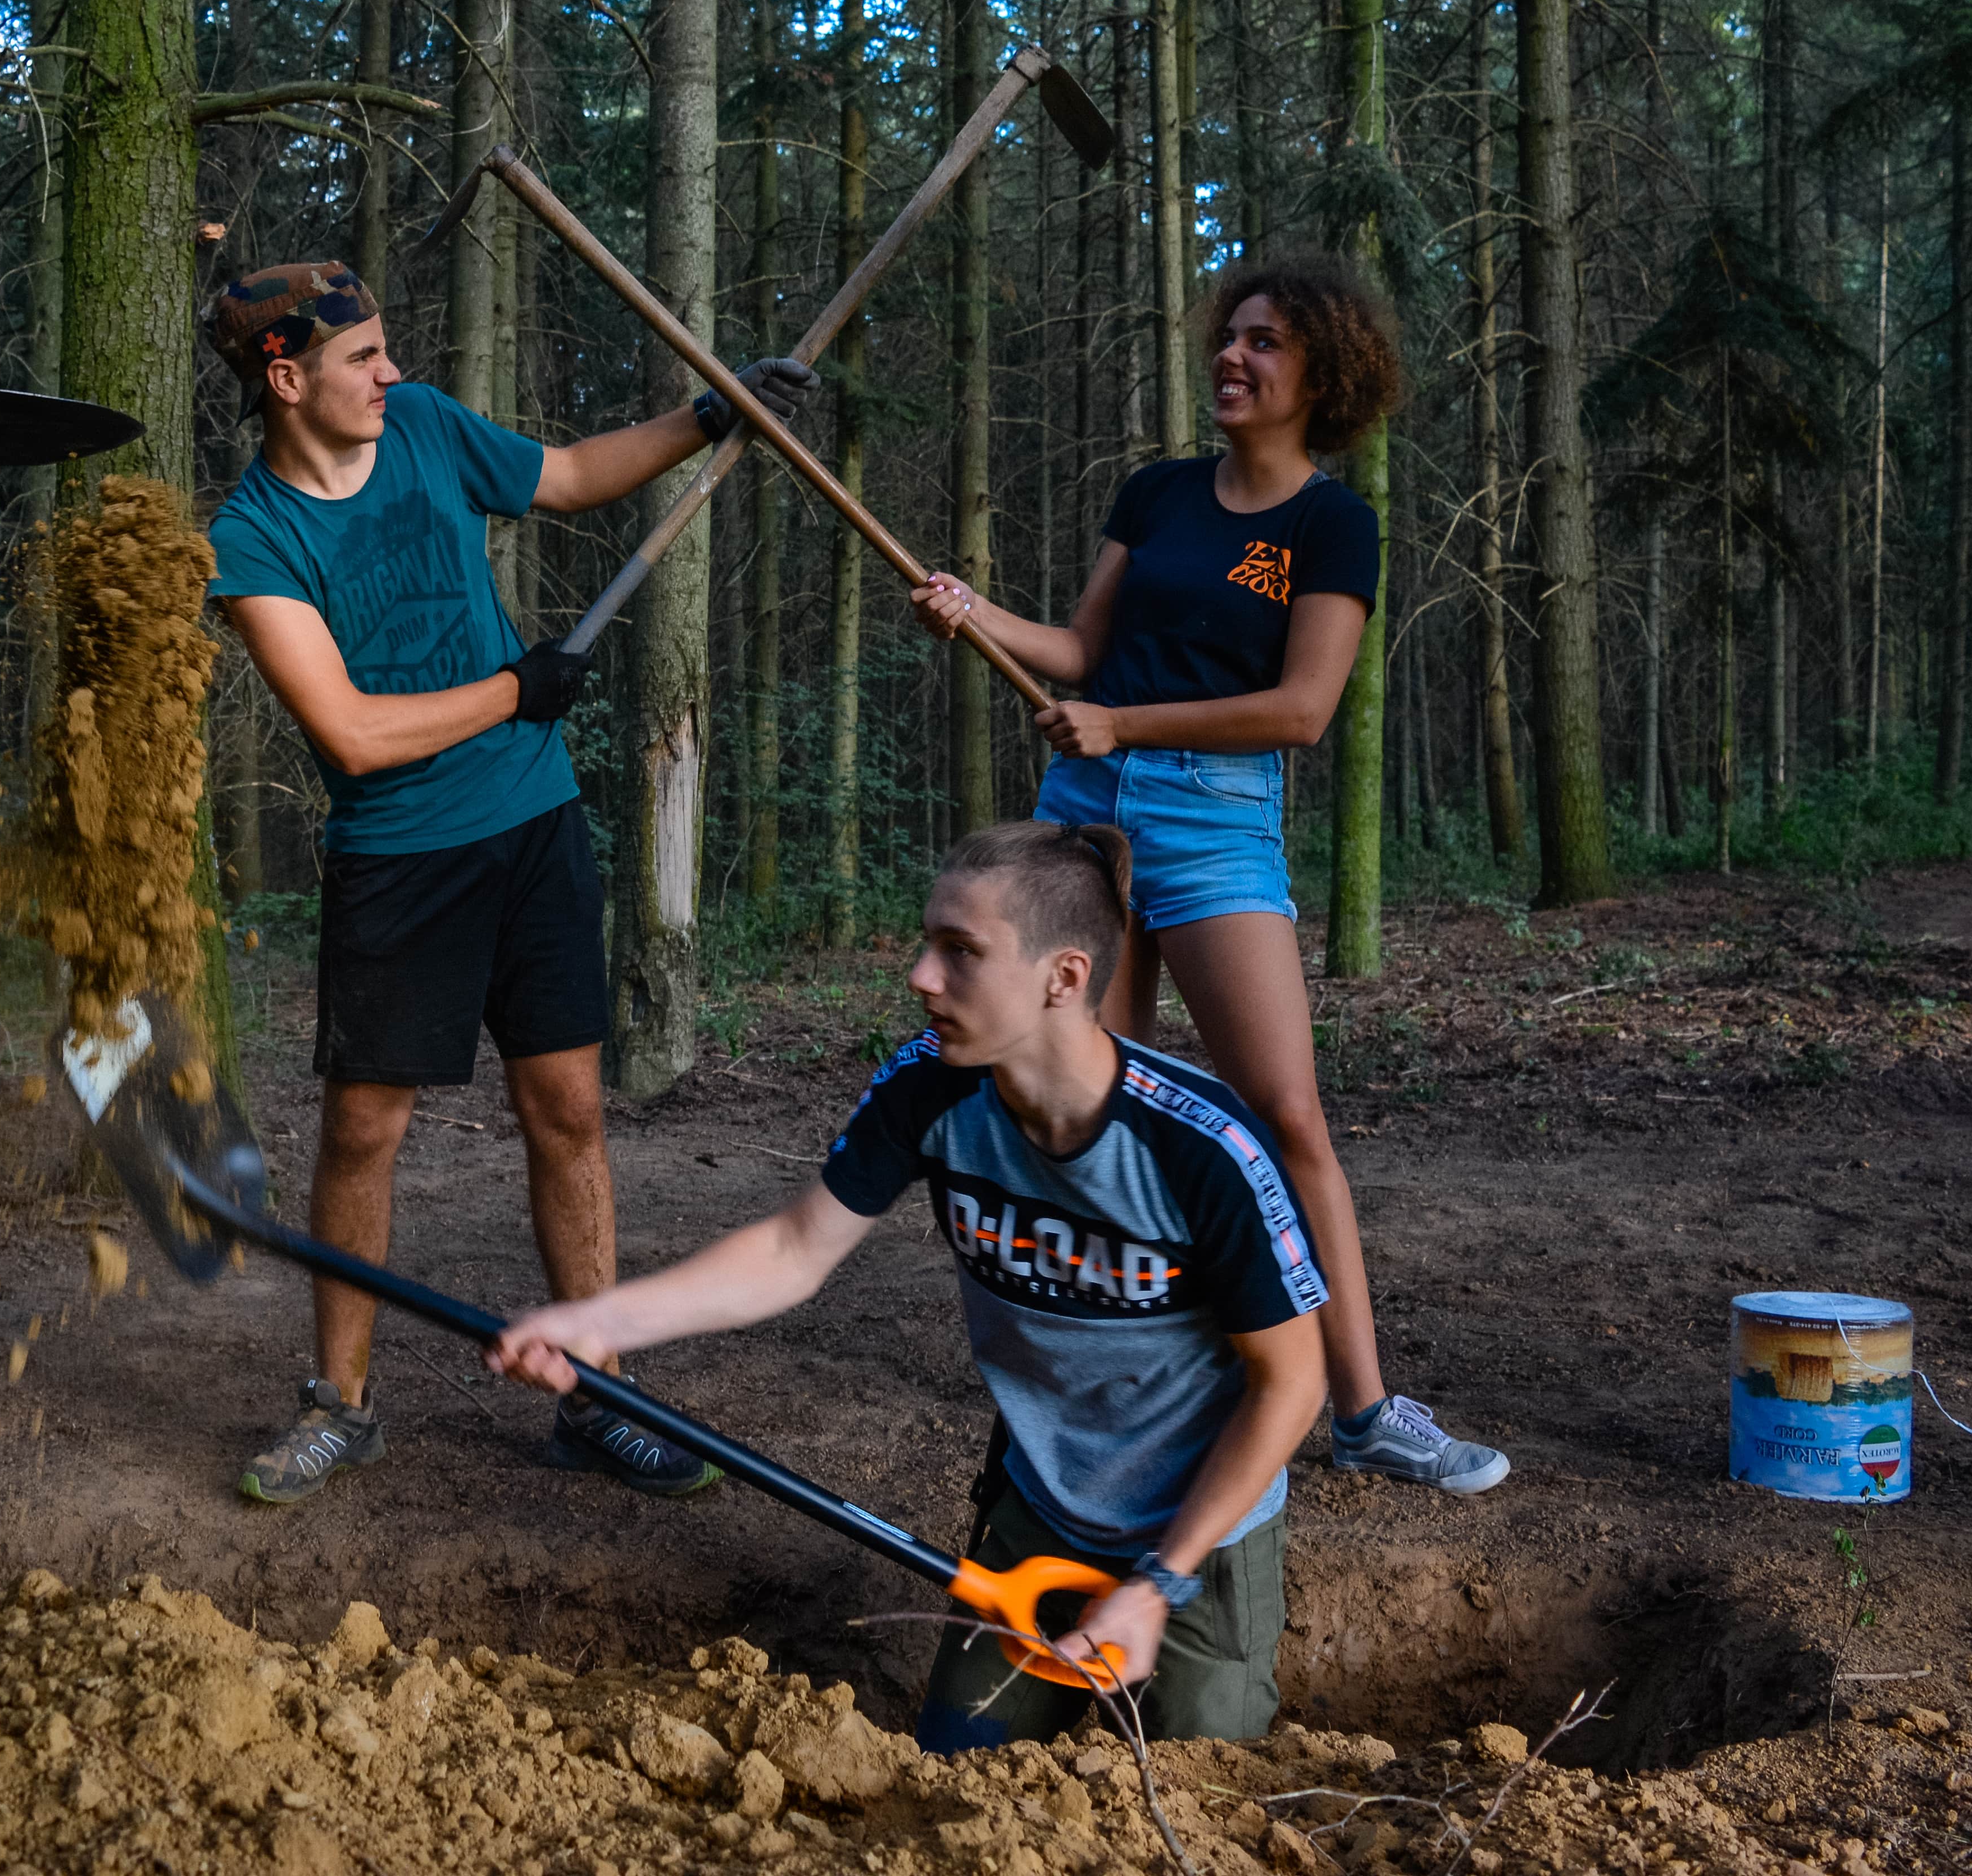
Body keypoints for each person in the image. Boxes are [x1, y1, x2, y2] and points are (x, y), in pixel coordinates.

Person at [489, 821, 1330, 1746]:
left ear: (1066, 976)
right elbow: (792, 1250)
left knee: (1195, 1797)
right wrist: (597, 1319)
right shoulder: (931, 1084)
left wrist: (1159, 1584)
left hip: (1198, 1528)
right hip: (1041, 1503)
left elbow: (1293, 1383)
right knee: (953, 1776)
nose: (921, 976)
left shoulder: (1203, 1149)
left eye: (961, 952)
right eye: (928, 944)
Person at [201, 260, 816, 1505]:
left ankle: (598, 1393)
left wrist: (713, 414)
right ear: (285, 378)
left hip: (533, 822)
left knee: (569, 1111)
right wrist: (513, 690)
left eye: (388, 351)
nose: (393, 374)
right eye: (364, 358)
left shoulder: (425, 429)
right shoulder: (251, 539)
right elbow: (355, 735)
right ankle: (341, 1403)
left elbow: (570, 473)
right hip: (399, 856)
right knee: (365, 1126)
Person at [907, 247, 1506, 1495]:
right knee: (1079, 1111)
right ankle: (1124, 1381)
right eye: (1231, 334)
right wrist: (973, 611)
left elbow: (1300, 708)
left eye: (1267, 341)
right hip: (1085, 817)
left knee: (1286, 1116)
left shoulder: (1331, 524)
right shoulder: (1159, 492)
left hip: (1218, 820)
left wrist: (1131, 724)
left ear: (1322, 375)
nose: (1234, 356)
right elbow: (1081, 646)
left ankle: (1363, 1404)